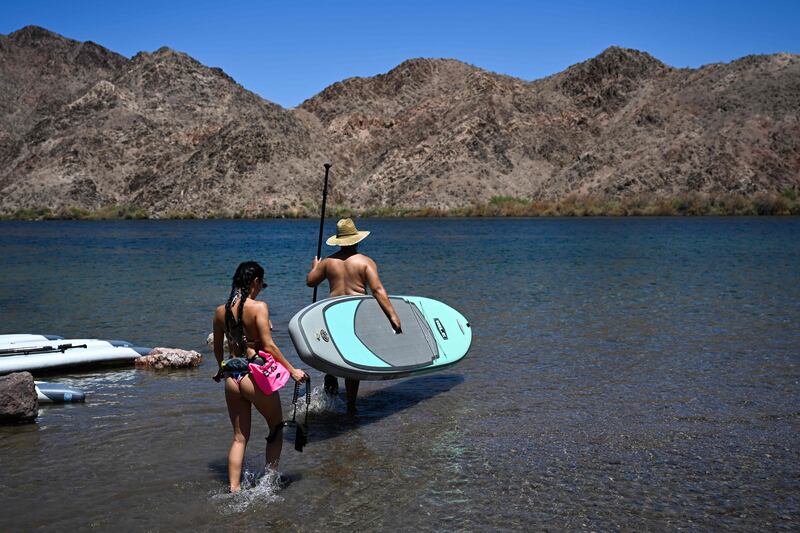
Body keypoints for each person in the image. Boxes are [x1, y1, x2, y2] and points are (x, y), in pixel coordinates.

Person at [212, 261, 306, 493]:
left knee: (239, 438)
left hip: (232, 378)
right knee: (275, 427)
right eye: (261, 284)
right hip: (253, 377)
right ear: (255, 282)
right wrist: (293, 371)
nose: (261, 288)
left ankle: (234, 490)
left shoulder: (220, 311)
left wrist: (219, 369)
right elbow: (269, 346)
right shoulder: (259, 307)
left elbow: (217, 348)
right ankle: (268, 483)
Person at [305, 218, 401, 412]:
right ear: (357, 240)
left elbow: (310, 282)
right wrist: (392, 316)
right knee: (352, 360)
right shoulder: (365, 262)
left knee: (333, 354)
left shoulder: (328, 262)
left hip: (332, 314)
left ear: (339, 241)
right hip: (354, 315)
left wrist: (315, 266)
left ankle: (330, 384)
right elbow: (377, 290)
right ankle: (351, 404)